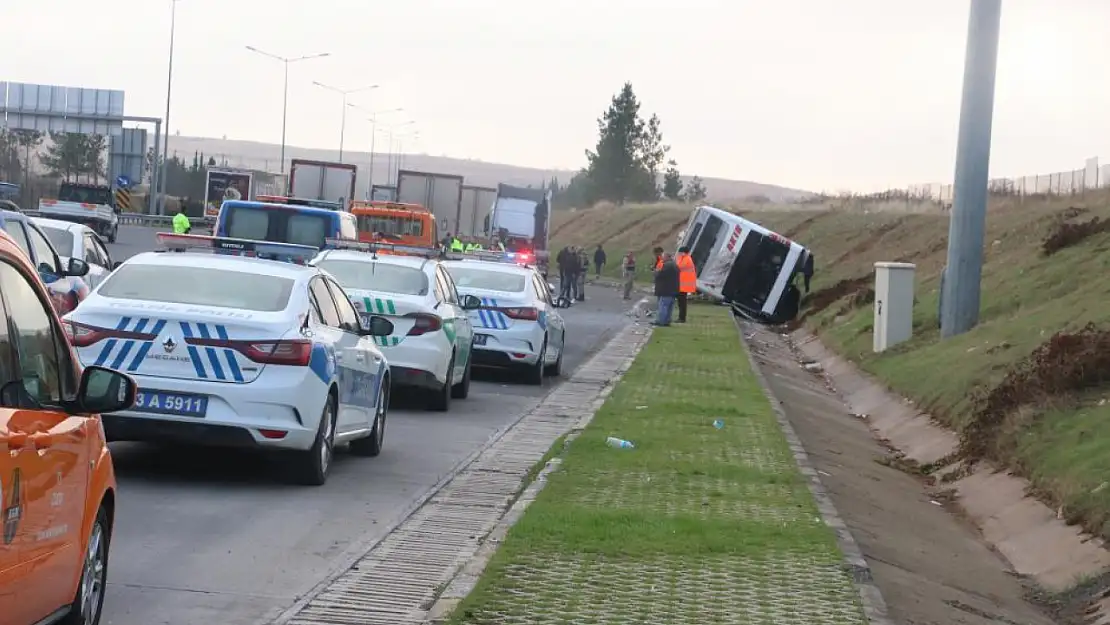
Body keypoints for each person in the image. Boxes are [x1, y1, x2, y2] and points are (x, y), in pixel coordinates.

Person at [653, 252, 679, 327]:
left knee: (663, 306)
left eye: (663, 257)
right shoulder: (675, 265)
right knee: (669, 307)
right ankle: (667, 321)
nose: (662, 258)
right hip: (673, 289)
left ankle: (661, 321)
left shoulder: (667, 265)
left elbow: (660, 274)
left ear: (667, 257)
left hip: (666, 289)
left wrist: (656, 272)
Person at [675, 246, 697, 323]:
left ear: (683, 253)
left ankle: (682, 318)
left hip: (684, 285)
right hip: (683, 284)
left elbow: (678, 267)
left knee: (682, 302)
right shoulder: (685, 258)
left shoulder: (686, 259)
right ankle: (681, 317)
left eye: (680, 253)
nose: (678, 254)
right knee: (681, 302)